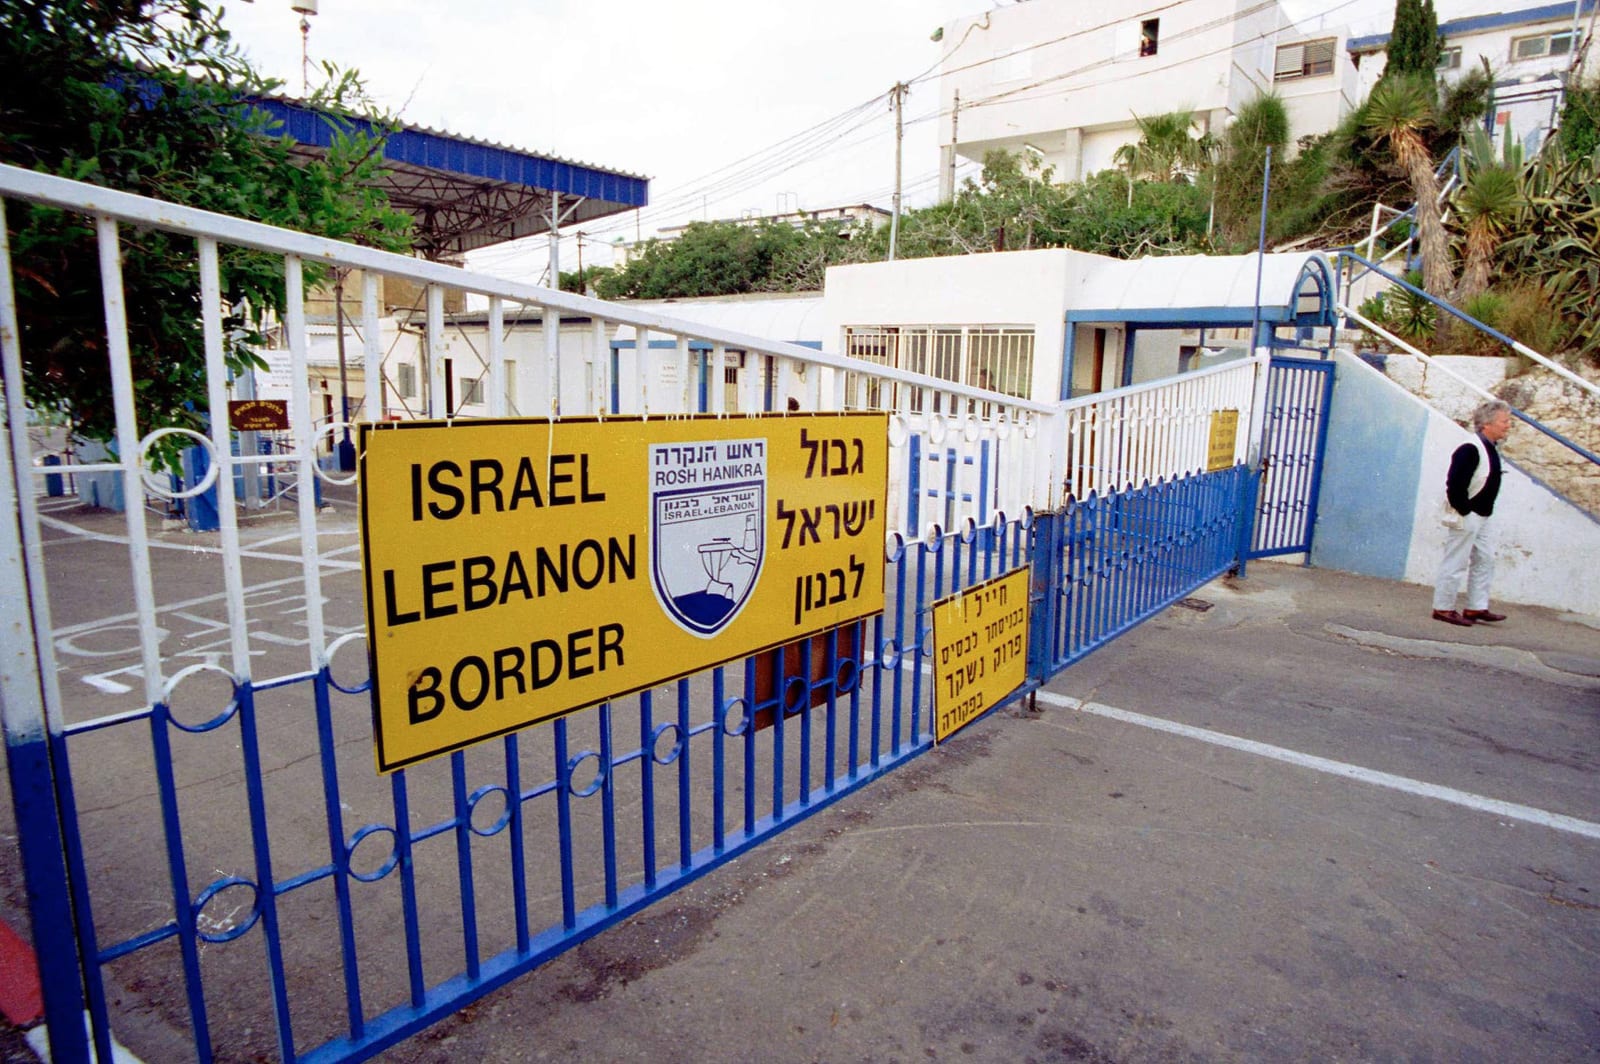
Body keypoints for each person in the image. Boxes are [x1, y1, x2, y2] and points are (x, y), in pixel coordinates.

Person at [1431, 399, 1512, 626]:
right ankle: (1443, 607)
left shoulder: (1490, 447)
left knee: (1485, 560)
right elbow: (1454, 484)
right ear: (1487, 424)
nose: (1508, 425)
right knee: (1455, 561)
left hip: (1483, 515)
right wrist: (1465, 511)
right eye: (1504, 421)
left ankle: (1476, 607)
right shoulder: (1470, 448)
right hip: (1469, 514)